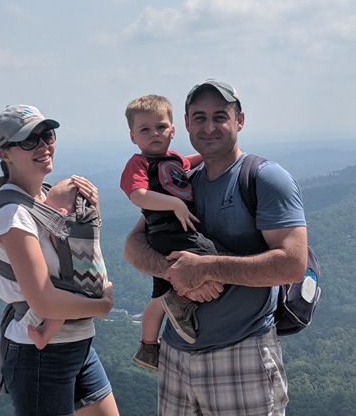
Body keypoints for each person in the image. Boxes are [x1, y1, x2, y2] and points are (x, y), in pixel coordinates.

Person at [124, 80, 308, 416]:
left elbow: (292, 264)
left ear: (239, 121)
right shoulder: (182, 179)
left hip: (242, 354)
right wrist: (178, 273)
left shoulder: (264, 178)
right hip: (176, 356)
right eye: (200, 117)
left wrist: (208, 268)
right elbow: (134, 246)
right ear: (187, 124)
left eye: (220, 116)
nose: (209, 127)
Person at [0, 105, 119, 416]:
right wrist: (102, 306)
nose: (43, 146)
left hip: (78, 346)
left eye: (46, 135)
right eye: (28, 141)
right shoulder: (13, 216)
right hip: (41, 357)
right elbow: (43, 301)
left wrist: (92, 213)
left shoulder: (48, 197)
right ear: (5, 154)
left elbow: (81, 258)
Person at [121, 94, 226, 372]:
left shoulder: (175, 159)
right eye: (145, 129)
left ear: (173, 130)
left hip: (170, 233)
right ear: (133, 136)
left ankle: (148, 346)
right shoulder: (139, 163)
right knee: (215, 260)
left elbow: (194, 160)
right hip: (171, 232)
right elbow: (138, 195)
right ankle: (181, 300)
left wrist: (215, 151)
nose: (155, 134)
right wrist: (175, 204)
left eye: (161, 127)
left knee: (159, 294)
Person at [23, 178, 107, 350]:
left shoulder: (64, 225)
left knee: (58, 307)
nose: (45, 206)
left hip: (79, 288)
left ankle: (44, 335)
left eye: (48, 206)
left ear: (61, 212)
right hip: (100, 283)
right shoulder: (89, 221)